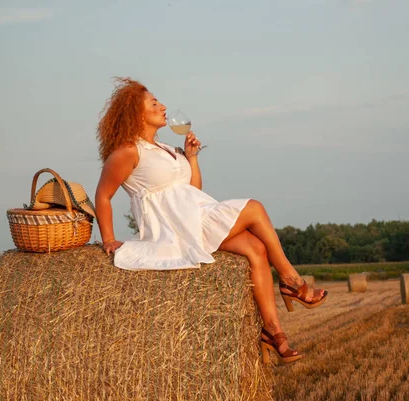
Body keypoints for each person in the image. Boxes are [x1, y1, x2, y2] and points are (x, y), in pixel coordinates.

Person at [95, 77, 328, 364]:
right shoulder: (128, 151)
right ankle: (292, 281)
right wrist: (108, 238)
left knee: (256, 248)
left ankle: (275, 333)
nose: (163, 106)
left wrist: (191, 158)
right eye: (154, 103)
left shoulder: (169, 149)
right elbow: (103, 195)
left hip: (195, 214)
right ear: (135, 113)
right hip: (175, 228)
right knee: (254, 208)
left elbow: (192, 192)